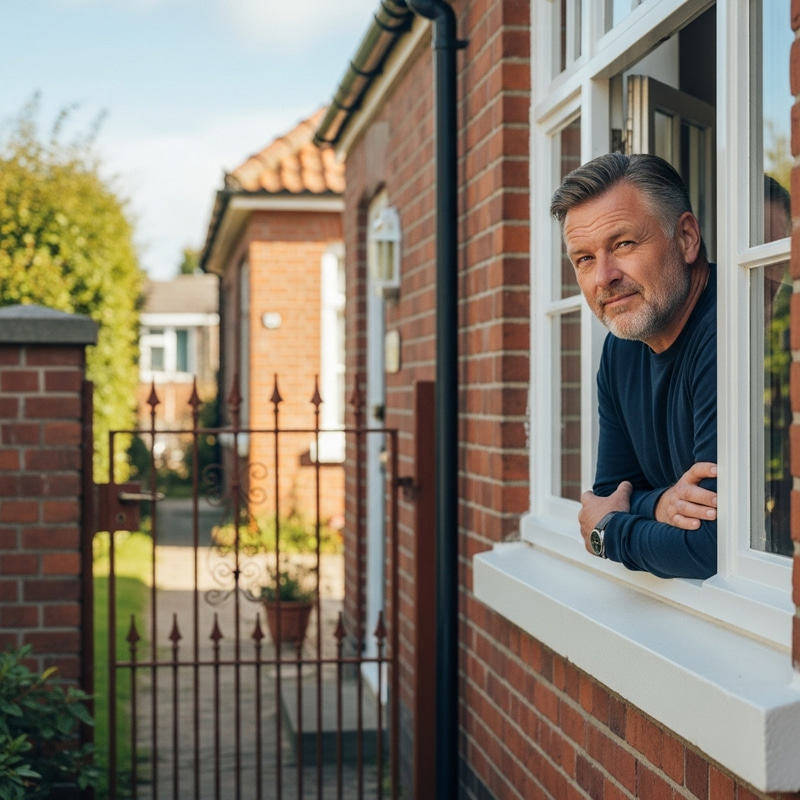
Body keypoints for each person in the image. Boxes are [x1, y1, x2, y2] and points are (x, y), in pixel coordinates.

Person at [550, 152, 717, 579]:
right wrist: (658, 504)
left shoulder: (730, 333)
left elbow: (713, 547)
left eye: (623, 244)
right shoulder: (620, 351)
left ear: (686, 238)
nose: (603, 276)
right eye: (584, 259)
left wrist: (608, 533)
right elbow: (610, 492)